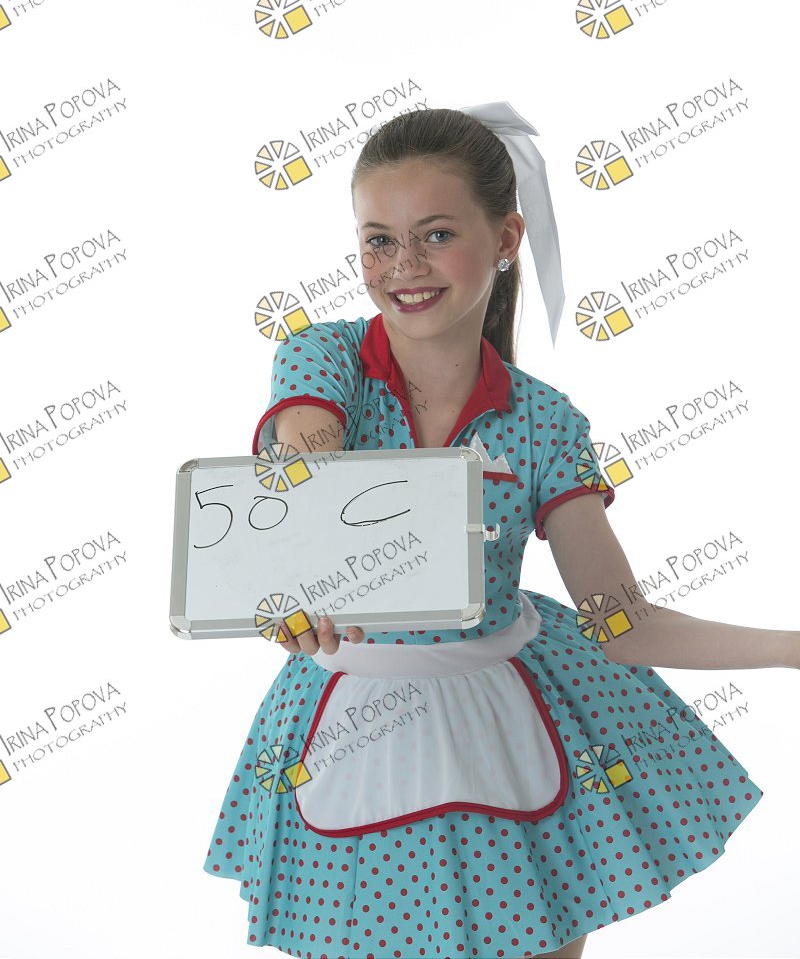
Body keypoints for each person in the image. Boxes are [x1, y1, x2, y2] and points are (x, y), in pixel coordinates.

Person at [203, 105, 793, 959]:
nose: (404, 266)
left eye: (437, 235)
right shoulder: (323, 357)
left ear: (507, 237)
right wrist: (308, 573)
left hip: (509, 717)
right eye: (378, 240)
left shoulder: (545, 421)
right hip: (352, 726)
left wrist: (791, 647)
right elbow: (304, 452)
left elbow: (622, 622)